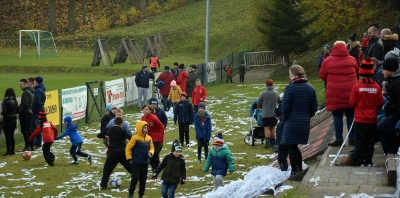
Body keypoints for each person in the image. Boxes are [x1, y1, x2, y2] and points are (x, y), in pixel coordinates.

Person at [336, 58, 384, 166]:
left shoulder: (357, 87)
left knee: (359, 142)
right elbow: (380, 102)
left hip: (360, 119)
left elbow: (352, 102)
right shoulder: (376, 87)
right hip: (372, 120)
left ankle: (359, 161)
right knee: (370, 142)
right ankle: (368, 161)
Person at [280, 65, 317, 178]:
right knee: (295, 147)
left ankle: (295, 171)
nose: (289, 75)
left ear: (294, 74)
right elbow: (314, 107)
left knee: (292, 146)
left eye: (289, 73)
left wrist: (283, 119)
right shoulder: (310, 88)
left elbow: (285, 107)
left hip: (291, 121)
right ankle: (299, 169)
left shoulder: (290, 88)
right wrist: (306, 116)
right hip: (304, 121)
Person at [320, 41, 358, 147]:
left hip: (334, 92)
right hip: (351, 92)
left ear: (334, 48)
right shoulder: (352, 59)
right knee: (350, 114)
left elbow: (322, 75)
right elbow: (357, 71)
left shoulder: (327, 61)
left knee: (337, 116)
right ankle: (352, 138)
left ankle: (339, 139)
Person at [100, 117, 132, 189]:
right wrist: (126, 139)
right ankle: (139, 178)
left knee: (107, 168)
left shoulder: (110, 129)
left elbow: (99, 135)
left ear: (114, 122)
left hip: (113, 152)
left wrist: (105, 137)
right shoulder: (123, 129)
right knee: (129, 166)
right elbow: (130, 137)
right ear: (122, 123)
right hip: (122, 151)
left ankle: (103, 185)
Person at [125, 121, 155, 198]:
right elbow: (128, 148)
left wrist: (150, 153)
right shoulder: (135, 138)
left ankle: (141, 194)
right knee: (135, 178)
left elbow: (152, 148)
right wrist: (129, 158)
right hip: (136, 162)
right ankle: (131, 193)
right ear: (139, 128)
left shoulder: (149, 138)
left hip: (145, 163)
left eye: (147, 128)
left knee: (143, 180)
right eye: (144, 128)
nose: (146, 129)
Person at [378, 58, 400, 154]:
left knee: (378, 131)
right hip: (391, 113)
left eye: (384, 70)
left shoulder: (397, 83)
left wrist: (394, 117)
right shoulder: (393, 81)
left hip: (394, 115)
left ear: (390, 69)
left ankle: (391, 153)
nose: (382, 72)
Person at [141, 104, 165, 172]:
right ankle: (152, 166)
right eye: (144, 110)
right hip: (147, 138)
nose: (145, 111)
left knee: (154, 153)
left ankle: (156, 167)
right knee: (149, 153)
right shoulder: (143, 118)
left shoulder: (154, 118)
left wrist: (160, 138)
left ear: (150, 110)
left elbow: (161, 126)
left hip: (155, 137)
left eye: (146, 109)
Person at [257, 79, 280, 149]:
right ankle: (273, 141)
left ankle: (268, 142)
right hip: (274, 114)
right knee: (272, 127)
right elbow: (279, 101)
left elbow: (258, 103)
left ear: (266, 85)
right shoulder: (276, 93)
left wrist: (262, 107)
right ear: (272, 84)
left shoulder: (263, 94)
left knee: (266, 127)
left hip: (266, 114)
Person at [1, 88, 19, 156]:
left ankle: (8, 151)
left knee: (7, 136)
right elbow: (17, 111)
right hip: (14, 120)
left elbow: (4, 112)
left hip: (8, 120)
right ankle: (12, 151)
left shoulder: (5, 101)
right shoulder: (15, 101)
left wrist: (2, 113)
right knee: (11, 136)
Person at [18, 79, 34, 152]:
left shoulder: (26, 92)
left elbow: (25, 103)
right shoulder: (30, 91)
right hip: (29, 112)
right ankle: (31, 145)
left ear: (25, 84)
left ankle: (27, 146)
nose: (20, 86)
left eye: (21, 84)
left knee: (24, 130)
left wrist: (19, 110)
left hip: (25, 113)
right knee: (28, 130)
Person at [31, 76, 46, 150]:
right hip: (40, 110)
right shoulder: (42, 89)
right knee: (38, 127)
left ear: (37, 82)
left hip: (37, 111)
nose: (33, 82)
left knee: (34, 127)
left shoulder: (37, 91)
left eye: (34, 81)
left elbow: (36, 102)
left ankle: (36, 143)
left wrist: (32, 109)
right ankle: (38, 143)